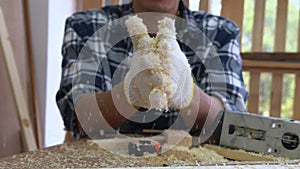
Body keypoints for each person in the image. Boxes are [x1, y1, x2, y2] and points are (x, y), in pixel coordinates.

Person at [56, 0, 249, 142]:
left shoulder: (220, 32)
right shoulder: (87, 26)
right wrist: (129, 94)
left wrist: (187, 93)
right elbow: (79, 117)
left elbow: (230, 122)